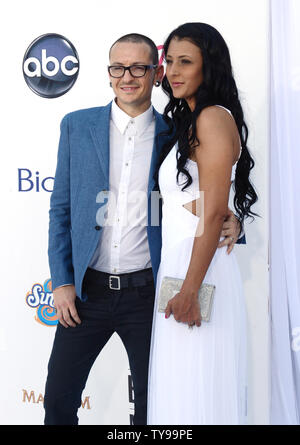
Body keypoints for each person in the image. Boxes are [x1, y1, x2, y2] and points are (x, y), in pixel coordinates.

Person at [44, 32, 245, 425]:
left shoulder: (177, 133)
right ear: (108, 73)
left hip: (149, 293)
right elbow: (60, 209)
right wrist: (61, 281)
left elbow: (192, 194)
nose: (128, 76)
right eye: (118, 67)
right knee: (57, 400)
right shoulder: (76, 126)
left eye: (140, 67)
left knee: (153, 410)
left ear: (155, 75)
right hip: (87, 291)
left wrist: (228, 218)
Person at [147, 23, 258, 425]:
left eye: (186, 62)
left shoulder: (211, 118)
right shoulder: (192, 120)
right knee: (182, 387)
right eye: (170, 61)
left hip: (198, 270)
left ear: (208, 68)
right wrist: (230, 219)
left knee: (197, 390)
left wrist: (191, 290)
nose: (174, 71)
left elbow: (212, 213)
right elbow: (198, 204)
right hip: (184, 264)